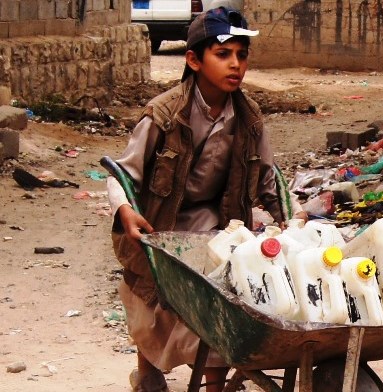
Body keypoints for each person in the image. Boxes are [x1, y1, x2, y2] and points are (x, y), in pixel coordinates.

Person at [106, 7, 286, 391]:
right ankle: (149, 374)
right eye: (223, 55)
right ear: (194, 60)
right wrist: (125, 211)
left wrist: (293, 219)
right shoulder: (164, 114)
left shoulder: (249, 118)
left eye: (242, 55)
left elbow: (270, 177)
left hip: (216, 225)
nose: (235, 64)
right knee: (152, 304)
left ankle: (214, 386)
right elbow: (124, 173)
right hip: (160, 223)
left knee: (219, 306)